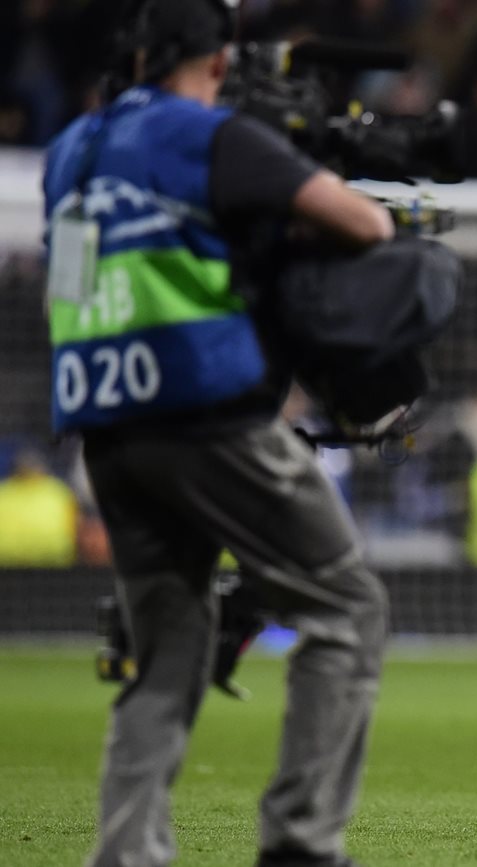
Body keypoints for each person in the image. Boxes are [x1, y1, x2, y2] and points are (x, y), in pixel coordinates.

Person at [42, 2, 394, 865]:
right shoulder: (212, 137)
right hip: (208, 418)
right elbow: (367, 224)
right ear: (216, 58)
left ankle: (124, 852)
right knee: (347, 607)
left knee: (168, 649)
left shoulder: (71, 149)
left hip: (105, 431)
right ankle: (301, 843)